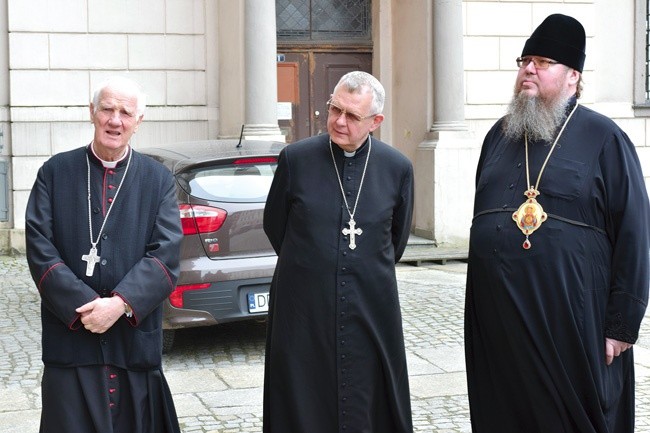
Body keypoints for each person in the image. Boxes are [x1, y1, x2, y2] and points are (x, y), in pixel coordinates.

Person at [464, 13, 649, 433]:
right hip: (499, 327)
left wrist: (621, 326)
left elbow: (635, 235)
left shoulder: (605, 138)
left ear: (573, 76)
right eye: (524, 60)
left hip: (571, 328)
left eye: (543, 61)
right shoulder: (499, 136)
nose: (528, 69)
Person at [25, 76, 183, 433]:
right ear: (92, 112)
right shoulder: (54, 172)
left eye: (126, 112)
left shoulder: (157, 179)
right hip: (71, 341)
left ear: (138, 121)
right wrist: (85, 306)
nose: (115, 120)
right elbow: (39, 248)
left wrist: (119, 304)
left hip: (133, 340)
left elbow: (167, 254)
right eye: (108, 109)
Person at [262, 71, 414, 433]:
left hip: (370, 307)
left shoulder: (397, 168)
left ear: (375, 122)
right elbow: (275, 225)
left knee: (368, 396)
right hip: (303, 306)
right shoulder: (296, 159)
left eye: (352, 116)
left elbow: (397, 240)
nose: (339, 121)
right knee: (302, 393)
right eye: (335, 110)